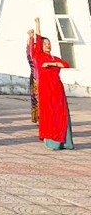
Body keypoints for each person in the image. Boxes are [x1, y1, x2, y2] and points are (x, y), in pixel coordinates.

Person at [31, 19, 74, 150]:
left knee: (62, 114)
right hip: (46, 90)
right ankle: (51, 141)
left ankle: (65, 142)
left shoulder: (54, 58)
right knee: (49, 114)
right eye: (45, 44)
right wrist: (38, 25)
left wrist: (52, 64)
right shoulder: (38, 56)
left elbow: (66, 64)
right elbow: (37, 40)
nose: (47, 46)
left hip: (58, 89)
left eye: (49, 44)